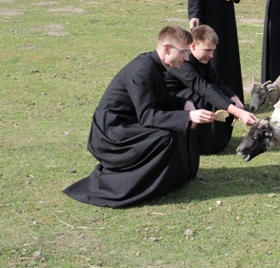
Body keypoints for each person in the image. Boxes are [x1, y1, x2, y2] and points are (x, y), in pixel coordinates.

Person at [63, 26, 216, 208]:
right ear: (166, 48)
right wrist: (188, 116)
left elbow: (161, 98)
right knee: (166, 137)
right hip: (111, 133)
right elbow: (147, 116)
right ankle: (140, 185)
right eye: (183, 52)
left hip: (128, 123)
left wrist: (184, 104)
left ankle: (172, 179)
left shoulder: (156, 65)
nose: (187, 57)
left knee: (177, 127)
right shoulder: (142, 70)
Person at [165, 25, 258, 154]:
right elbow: (203, 89)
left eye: (213, 50)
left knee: (217, 92)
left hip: (189, 95)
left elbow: (216, 83)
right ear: (193, 46)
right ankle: (200, 143)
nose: (212, 55)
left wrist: (234, 98)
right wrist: (238, 112)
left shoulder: (202, 61)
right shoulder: (182, 63)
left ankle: (216, 141)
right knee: (207, 95)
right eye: (207, 50)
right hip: (172, 102)